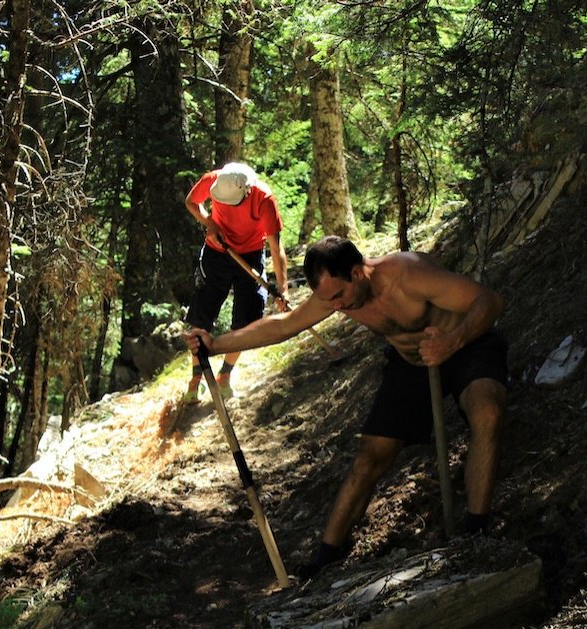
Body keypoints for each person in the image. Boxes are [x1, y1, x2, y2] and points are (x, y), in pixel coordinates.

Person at [185, 235, 508, 577]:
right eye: (328, 300)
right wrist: (217, 343)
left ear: (357, 273)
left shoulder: (409, 275)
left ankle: (476, 534)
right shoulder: (336, 294)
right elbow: (284, 326)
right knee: (371, 455)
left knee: (487, 411)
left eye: (338, 296)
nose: (335, 307)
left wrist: (452, 341)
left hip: (467, 344)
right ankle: (325, 559)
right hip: (411, 363)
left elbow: (489, 301)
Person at [182, 161, 290, 403]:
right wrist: (210, 223)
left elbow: (275, 247)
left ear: (247, 191)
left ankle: (224, 375)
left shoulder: (264, 199)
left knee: (247, 319)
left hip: (250, 255)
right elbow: (191, 201)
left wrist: (282, 289)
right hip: (215, 253)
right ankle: (196, 379)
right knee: (201, 316)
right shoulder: (214, 180)